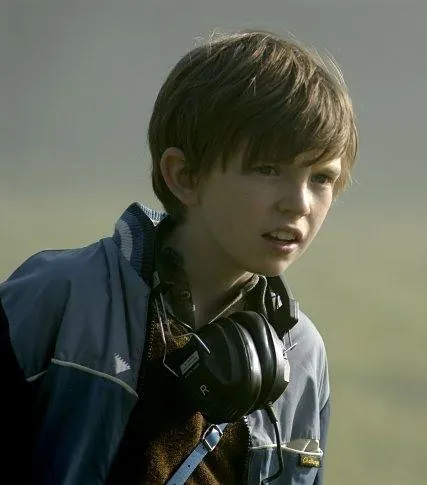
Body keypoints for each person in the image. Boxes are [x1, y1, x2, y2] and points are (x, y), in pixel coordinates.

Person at [0, 29, 358, 484]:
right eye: (268, 169)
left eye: (322, 178)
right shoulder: (55, 299)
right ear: (185, 176)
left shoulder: (302, 354)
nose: (300, 203)